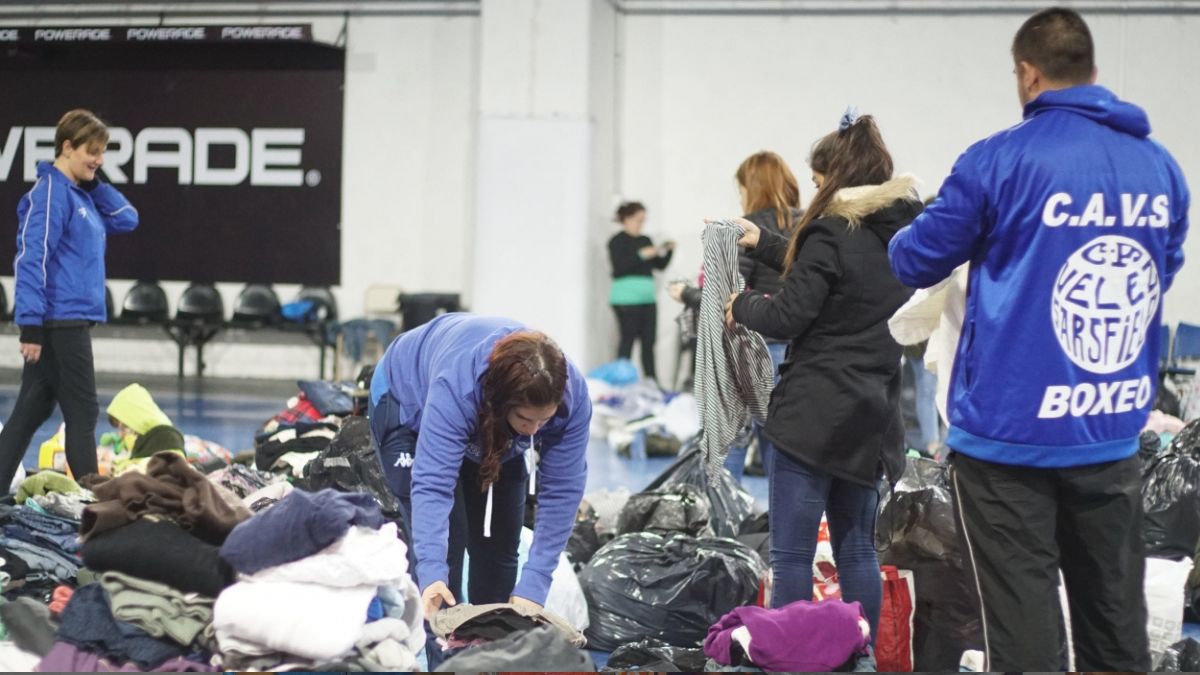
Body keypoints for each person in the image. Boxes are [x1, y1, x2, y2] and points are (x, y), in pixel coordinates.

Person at [888, 8, 1188, 671]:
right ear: (1093, 73)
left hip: (1008, 439)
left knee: (1025, 638)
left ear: (1028, 73)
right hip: (1108, 431)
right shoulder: (1159, 167)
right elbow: (1157, 271)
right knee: (1114, 629)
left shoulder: (998, 161)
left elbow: (914, 261)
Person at [725, 112, 920, 639]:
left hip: (812, 417)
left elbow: (789, 315)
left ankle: (788, 658)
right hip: (872, 417)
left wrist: (739, 305)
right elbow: (830, 273)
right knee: (858, 548)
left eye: (817, 182)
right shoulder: (904, 237)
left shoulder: (829, 231)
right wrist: (762, 242)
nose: (814, 192)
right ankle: (863, 657)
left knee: (791, 555)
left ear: (836, 180)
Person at [368, 313, 590, 664]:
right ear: (501, 408)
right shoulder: (459, 387)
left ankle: (491, 662)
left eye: (543, 421)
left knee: (500, 546)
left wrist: (535, 585)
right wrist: (431, 573)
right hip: (406, 402)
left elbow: (562, 491)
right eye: (526, 420)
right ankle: (447, 665)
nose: (534, 431)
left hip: (491, 420)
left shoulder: (571, 400)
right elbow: (433, 485)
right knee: (447, 559)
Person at [0, 109, 139, 492]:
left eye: (102, 152)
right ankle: (95, 505)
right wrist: (29, 323)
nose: (99, 159)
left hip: (67, 320)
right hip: (58, 321)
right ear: (67, 146)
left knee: (30, 412)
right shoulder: (49, 194)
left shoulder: (82, 196)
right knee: (83, 412)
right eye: (91, 151)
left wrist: (95, 184)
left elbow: (128, 218)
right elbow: (32, 258)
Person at [723, 151, 803, 481]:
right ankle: (778, 524)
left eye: (741, 188)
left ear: (752, 187)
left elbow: (732, 291)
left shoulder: (748, 227)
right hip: (798, 351)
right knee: (782, 445)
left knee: (734, 439)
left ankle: (724, 519)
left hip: (756, 347)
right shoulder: (810, 223)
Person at [608, 201, 674, 383]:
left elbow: (659, 266)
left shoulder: (645, 240)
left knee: (648, 344)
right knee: (627, 342)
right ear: (626, 219)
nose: (641, 225)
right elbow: (619, 268)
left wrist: (668, 251)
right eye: (638, 220)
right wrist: (641, 255)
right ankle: (621, 383)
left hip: (647, 299)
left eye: (643, 221)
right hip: (626, 301)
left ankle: (652, 382)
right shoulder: (616, 241)